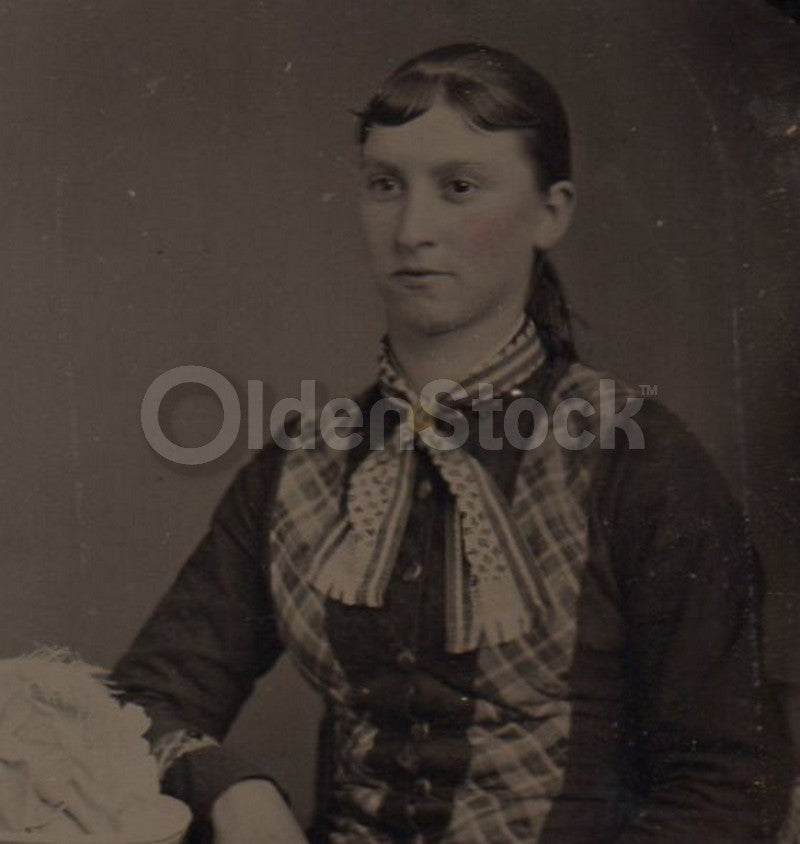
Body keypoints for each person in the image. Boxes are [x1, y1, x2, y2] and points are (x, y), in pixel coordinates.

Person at [112, 43, 790, 843]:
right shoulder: (303, 468)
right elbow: (142, 702)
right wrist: (235, 790)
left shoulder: (638, 464)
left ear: (553, 212)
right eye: (383, 185)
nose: (412, 229)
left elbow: (728, 780)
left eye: (459, 188)